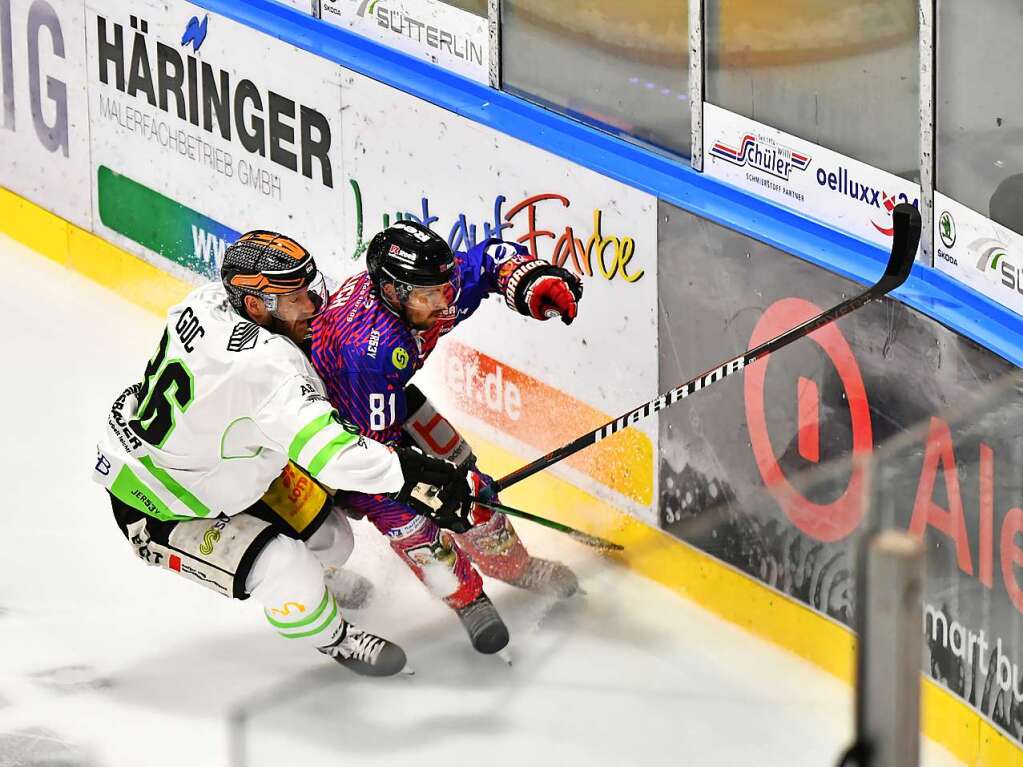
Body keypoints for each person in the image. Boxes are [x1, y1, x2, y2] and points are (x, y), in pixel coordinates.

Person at [92, 230, 470, 677]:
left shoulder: (209, 299)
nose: (312, 306)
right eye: (296, 299)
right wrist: (412, 474)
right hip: (162, 504)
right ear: (255, 305)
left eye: (308, 291)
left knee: (333, 539)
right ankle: (336, 639)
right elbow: (334, 455)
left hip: (213, 464)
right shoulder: (267, 369)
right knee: (288, 567)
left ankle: (312, 585)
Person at [309, 220, 584, 655]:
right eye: (427, 297)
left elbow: (490, 260)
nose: (442, 304)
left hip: (385, 405)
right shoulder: (369, 350)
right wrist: (439, 492)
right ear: (391, 293)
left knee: (466, 481)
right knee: (411, 517)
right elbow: (374, 466)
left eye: (444, 289)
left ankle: (512, 565)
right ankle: (466, 598)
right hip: (337, 443)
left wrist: (531, 279)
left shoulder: (428, 285)